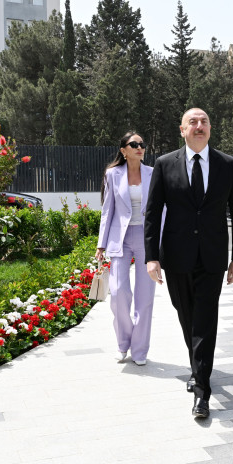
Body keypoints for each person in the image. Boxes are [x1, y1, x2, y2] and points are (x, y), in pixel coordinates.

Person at [144, 108, 233, 419]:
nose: (199, 126)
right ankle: (196, 366)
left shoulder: (227, 164)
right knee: (186, 316)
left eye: (204, 122)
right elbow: (152, 213)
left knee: (205, 320)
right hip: (176, 256)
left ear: (210, 129)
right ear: (182, 129)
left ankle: (202, 390)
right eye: (193, 122)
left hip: (212, 258)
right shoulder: (164, 164)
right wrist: (151, 257)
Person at [96, 132, 155, 366]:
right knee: (119, 294)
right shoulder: (113, 174)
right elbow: (107, 209)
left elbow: (162, 208)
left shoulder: (153, 173)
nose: (140, 148)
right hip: (119, 239)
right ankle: (123, 343)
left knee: (145, 297)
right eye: (134, 144)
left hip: (146, 238)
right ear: (124, 150)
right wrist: (101, 244)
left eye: (142, 144)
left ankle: (139, 350)